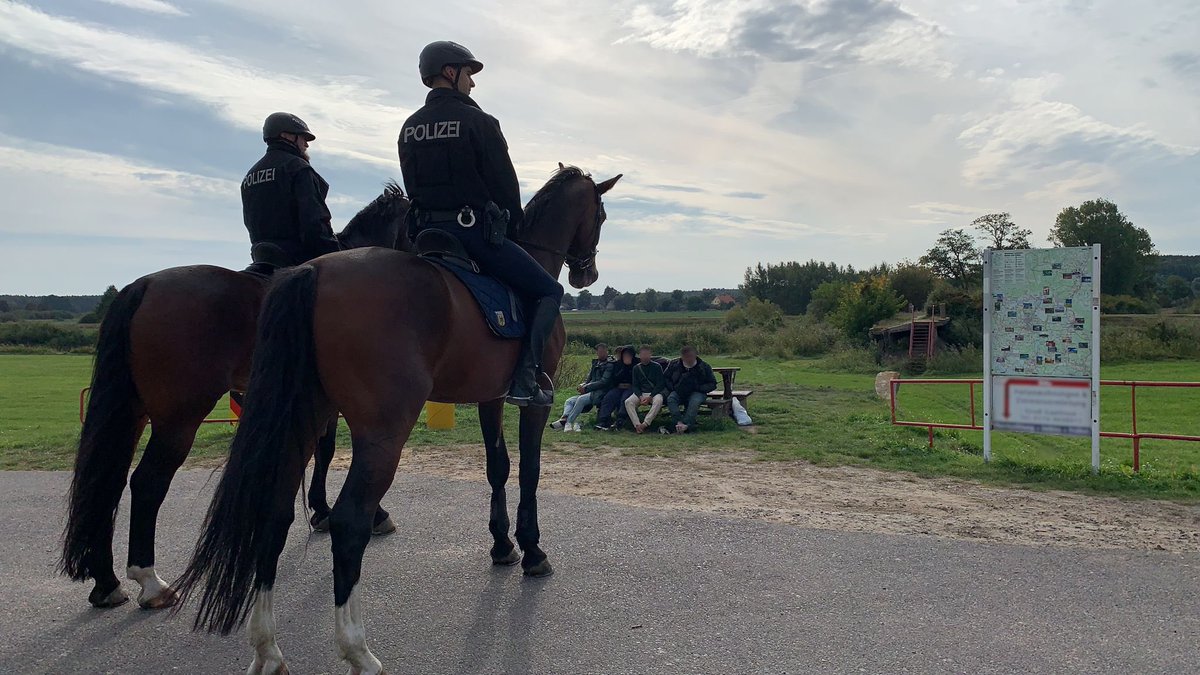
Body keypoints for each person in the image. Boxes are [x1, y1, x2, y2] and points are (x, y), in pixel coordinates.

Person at [397, 41, 563, 407]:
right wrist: (512, 228)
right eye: (469, 74)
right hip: (471, 234)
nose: (472, 82)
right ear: (451, 72)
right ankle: (525, 380)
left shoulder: (409, 127)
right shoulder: (479, 122)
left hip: (425, 236)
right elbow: (505, 189)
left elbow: (412, 185)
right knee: (550, 290)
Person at [241, 112, 340, 267]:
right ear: (286, 136)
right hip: (297, 258)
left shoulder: (250, 175)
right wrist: (336, 253)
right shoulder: (298, 168)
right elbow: (314, 222)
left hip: (261, 256)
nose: (306, 144)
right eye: (303, 137)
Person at [551, 343, 612, 432]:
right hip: (590, 391)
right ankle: (564, 418)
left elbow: (604, 382)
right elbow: (589, 378)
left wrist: (587, 387)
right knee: (569, 401)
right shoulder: (595, 363)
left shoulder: (610, 365)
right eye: (599, 352)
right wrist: (582, 385)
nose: (600, 354)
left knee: (581, 400)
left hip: (600, 392)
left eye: (602, 352)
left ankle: (569, 423)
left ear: (607, 352)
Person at [663, 345, 717, 434]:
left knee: (694, 402)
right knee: (671, 399)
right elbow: (666, 378)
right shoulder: (674, 364)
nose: (689, 359)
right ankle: (678, 422)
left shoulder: (704, 366)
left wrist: (698, 388)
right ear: (682, 357)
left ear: (696, 355)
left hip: (697, 391)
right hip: (679, 390)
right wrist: (673, 388)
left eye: (691, 356)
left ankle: (686, 425)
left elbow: (712, 384)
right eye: (686, 357)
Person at [625, 345, 668, 433]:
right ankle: (637, 425)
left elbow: (660, 384)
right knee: (628, 402)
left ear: (650, 355)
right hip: (641, 393)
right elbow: (635, 385)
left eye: (647, 354)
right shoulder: (636, 368)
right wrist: (640, 397)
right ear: (640, 355)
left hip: (654, 393)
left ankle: (645, 423)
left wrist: (650, 397)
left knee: (658, 400)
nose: (645, 357)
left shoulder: (657, 367)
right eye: (643, 354)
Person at [595, 346, 636, 431]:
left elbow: (635, 379)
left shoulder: (636, 364)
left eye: (628, 355)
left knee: (625, 398)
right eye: (624, 355)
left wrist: (628, 366)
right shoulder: (617, 364)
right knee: (609, 397)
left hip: (631, 387)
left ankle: (620, 420)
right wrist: (624, 367)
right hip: (619, 387)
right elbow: (615, 379)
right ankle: (603, 421)